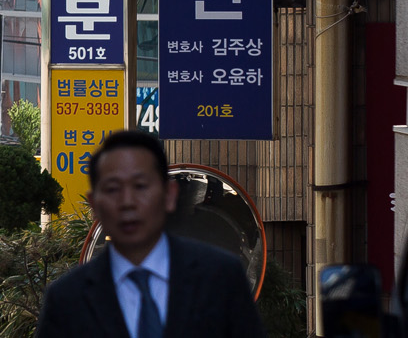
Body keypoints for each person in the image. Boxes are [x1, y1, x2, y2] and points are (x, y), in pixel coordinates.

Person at [35, 129, 265, 338]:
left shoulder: (221, 279)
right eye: (113, 189)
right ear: (94, 204)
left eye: (141, 186)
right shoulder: (66, 300)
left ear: (169, 194)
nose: (127, 202)